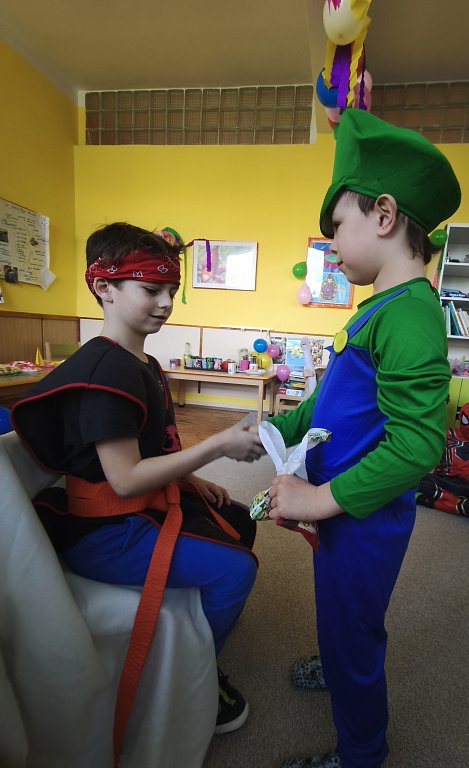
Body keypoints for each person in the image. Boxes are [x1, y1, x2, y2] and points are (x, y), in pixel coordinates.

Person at [11, 222, 265, 744]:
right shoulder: (107, 373)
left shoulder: (143, 363)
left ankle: (195, 638)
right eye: (151, 289)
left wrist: (191, 477)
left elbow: (149, 447)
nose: (166, 303)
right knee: (237, 569)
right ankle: (198, 678)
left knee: (240, 521)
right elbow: (125, 479)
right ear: (104, 287)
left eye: (171, 289)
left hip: (136, 510)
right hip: (107, 532)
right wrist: (217, 445)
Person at [266, 109, 461, 768]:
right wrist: (275, 428)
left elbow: (416, 446)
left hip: (362, 515)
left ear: (383, 216)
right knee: (339, 611)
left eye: (336, 226)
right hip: (343, 507)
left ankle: (362, 754)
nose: (331, 244)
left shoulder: (409, 316)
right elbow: (333, 401)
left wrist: (317, 500)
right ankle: (337, 656)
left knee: (354, 629)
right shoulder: (381, 306)